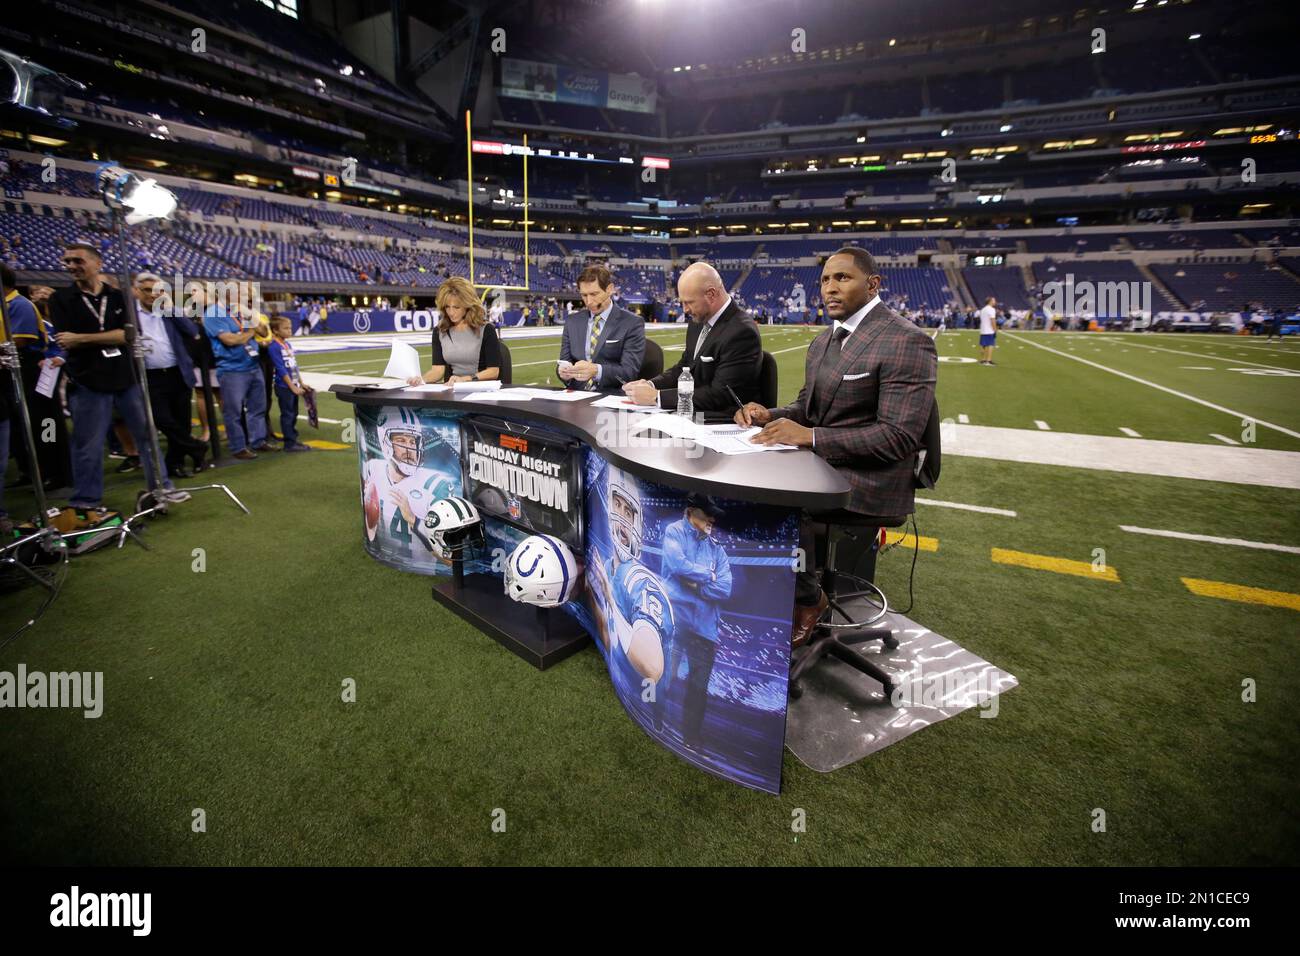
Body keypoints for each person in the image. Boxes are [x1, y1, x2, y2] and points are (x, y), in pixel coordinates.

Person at [739, 247, 937, 646]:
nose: (830, 288)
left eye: (842, 279)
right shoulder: (823, 342)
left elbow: (896, 437)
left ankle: (807, 598)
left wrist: (810, 437)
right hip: (828, 464)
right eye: (825, 280)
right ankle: (778, 593)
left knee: (771, 500)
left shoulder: (906, 341)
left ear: (873, 284)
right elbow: (806, 408)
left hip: (873, 478)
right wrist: (768, 414)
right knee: (746, 485)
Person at [48, 241, 187, 509]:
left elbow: (128, 334)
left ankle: (161, 487)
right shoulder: (60, 298)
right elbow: (66, 340)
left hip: (126, 377)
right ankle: (86, 501)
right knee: (88, 444)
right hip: (88, 380)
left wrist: (84, 338)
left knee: (147, 436)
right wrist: (104, 337)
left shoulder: (119, 296)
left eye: (78, 260)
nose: (72, 266)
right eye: (67, 261)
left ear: (97, 263)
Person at [623, 262, 761, 419]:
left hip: (722, 421)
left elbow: (721, 394)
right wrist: (650, 385)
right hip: (694, 412)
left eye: (689, 302)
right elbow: (684, 368)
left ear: (711, 294)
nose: (685, 309)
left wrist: (657, 397)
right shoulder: (698, 321)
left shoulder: (741, 331)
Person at [660, 495, 732, 753]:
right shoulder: (674, 532)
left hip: (704, 629)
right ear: (690, 511)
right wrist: (708, 576)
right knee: (665, 675)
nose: (712, 519)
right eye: (707, 514)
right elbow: (678, 566)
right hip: (676, 620)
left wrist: (695, 584)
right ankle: (657, 717)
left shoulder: (718, 550)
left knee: (698, 688)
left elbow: (725, 589)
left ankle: (690, 736)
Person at [132, 272, 207, 477]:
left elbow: (192, 330)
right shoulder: (130, 314)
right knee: (161, 419)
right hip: (150, 376)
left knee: (181, 420)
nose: (152, 295)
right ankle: (196, 447)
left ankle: (176, 463)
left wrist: (170, 308)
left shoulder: (168, 312)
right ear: (137, 291)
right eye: (147, 290)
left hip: (177, 372)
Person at [2, 267, 70, 492]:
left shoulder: (19, 305)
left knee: (45, 422)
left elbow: (20, 341)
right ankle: (29, 470)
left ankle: (55, 471)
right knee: (18, 424)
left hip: (35, 371)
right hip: (14, 373)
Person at [204, 289, 276, 460]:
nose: (244, 296)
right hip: (231, 369)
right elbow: (230, 340)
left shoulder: (242, 310)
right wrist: (250, 332)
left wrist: (250, 319)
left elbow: (264, 331)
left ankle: (258, 440)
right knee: (233, 411)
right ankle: (238, 447)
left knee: (258, 408)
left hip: (253, 365)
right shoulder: (214, 313)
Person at [556, 264, 646, 393]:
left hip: (610, 398)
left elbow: (629, 373)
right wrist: (564, 372)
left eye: (594, 294)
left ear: (610, 289)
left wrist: (596, 371)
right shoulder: (572, 322)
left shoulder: (632, 323)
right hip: (576, 397)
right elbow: (564, 362)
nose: (589, 301)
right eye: (584, 295)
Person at [405, 277, 501, 386]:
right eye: (447, 307)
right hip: (452, 390)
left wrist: (466, 379)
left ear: (467, 305)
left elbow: (493, 372)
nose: (451, 312)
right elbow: (438, 370)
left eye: (456, 307)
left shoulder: (487, 329)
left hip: (481, 390)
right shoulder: (439, 331)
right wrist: (421, 380)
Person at [267, 316, 312, 452]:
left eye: (290, 328)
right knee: (287, 414)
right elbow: (280, 369)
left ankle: (293, 439)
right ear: (275, 330)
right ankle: (289, 443)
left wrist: (301, 383)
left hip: (293, 385)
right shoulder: (274, 347)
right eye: (285, 328)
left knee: (294, 413)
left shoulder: (287, 344)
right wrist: (292, 387)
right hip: (284, 387)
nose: (289, 330)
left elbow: (294, 366)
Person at [977, 296, 998, 365]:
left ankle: (983, 360)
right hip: (989, 330)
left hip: (983, 329)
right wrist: (995, 329)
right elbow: (992, 320)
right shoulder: (991, 309)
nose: (995, 302)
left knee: (983, 345)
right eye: (994, 300)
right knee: (990, 344)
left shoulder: (983, 309)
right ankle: (988, 360)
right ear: (990, 301)